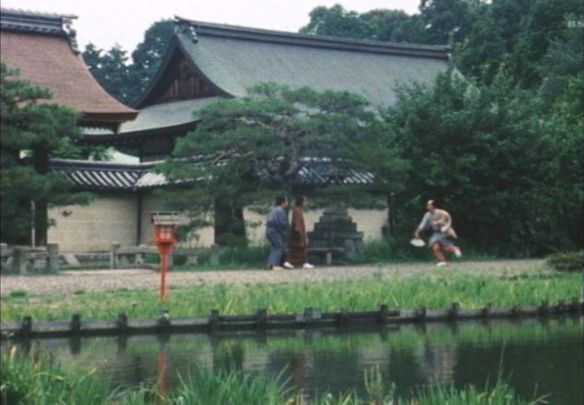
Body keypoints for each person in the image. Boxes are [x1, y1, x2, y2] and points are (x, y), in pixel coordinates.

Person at [414, 199, 462, 267]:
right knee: (436, 247)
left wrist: (438, 222)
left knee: (445, 247)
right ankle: (443, 261)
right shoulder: (427, 215)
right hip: (436, 233)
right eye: (427, 205)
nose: (427, 206)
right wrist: (417, 232)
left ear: (434, 206)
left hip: (445, 232)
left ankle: (455, 249)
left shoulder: (442, 213)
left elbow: (447, 220)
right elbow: (422, 224)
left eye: (429, 205)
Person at [265, 196, 294, 271]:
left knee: (275, 247)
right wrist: (285, 232)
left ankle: (270, 264)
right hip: (274, 230)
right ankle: (274, 265)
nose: (287, 203)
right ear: (283, 202)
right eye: (286, 201)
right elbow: (281, 223)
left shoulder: (273, 209)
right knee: (278, 247)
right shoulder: (280, 210)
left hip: (269, 230)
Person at [287, 196, 315, 269]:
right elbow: (297, 222)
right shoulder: (297, 211)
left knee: (301, 248)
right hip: (298, 232)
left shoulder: (299, 210)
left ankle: (303, 262)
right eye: (305, 201)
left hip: (300, 232)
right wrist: (299, 232)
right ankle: (290, 261)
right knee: (298, 248)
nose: (306, 203)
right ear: (301, 202)